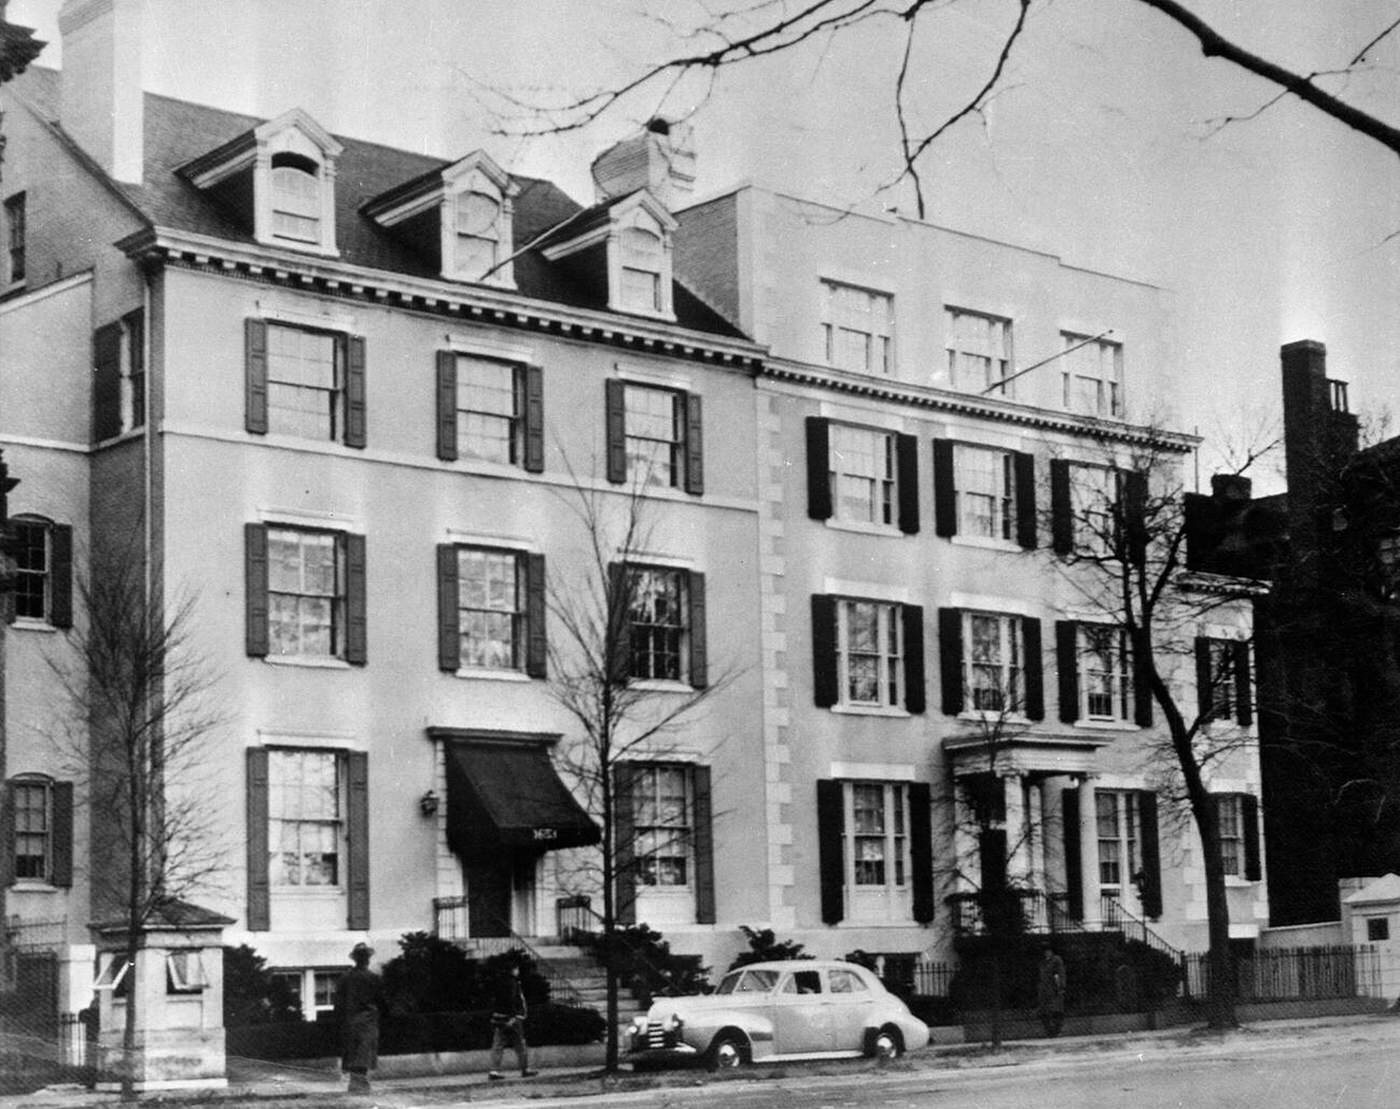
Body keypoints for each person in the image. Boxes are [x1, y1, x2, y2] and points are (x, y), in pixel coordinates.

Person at [334, 942, 384, 1094]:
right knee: (364, 1053)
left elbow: (338, 1004)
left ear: (355, 959)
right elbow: (381, 1001)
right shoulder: (373, 978)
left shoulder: (345, 978)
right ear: (367, 959)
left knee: (352, 1053)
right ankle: (361, 1085)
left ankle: (355, 1084)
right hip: (367, 1022)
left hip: (350, 1022)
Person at [488, 962, 538, 1080]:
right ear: (513, 970)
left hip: (499, 1018)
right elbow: (513, 1000)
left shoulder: (499, 982)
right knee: (520, 1044)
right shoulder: (513, 983)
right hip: (513, 1018)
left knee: (498, 1045)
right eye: (516, 969)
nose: (518, 971)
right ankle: (525, 1069)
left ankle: (494, 1070)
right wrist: (514, 1016)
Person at [1036, 945, 1067, 1038]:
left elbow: (1060, 974)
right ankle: (1050, 1031)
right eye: (1045, 951)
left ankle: (1056, 1030)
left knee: (1056, 1010)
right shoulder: (1042, 962)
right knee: (1045, 1011)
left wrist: (1060, 986)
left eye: (1048, 950)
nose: (1047, 952)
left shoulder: (1056, 960)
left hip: (1053, 989)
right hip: (1044, 990)